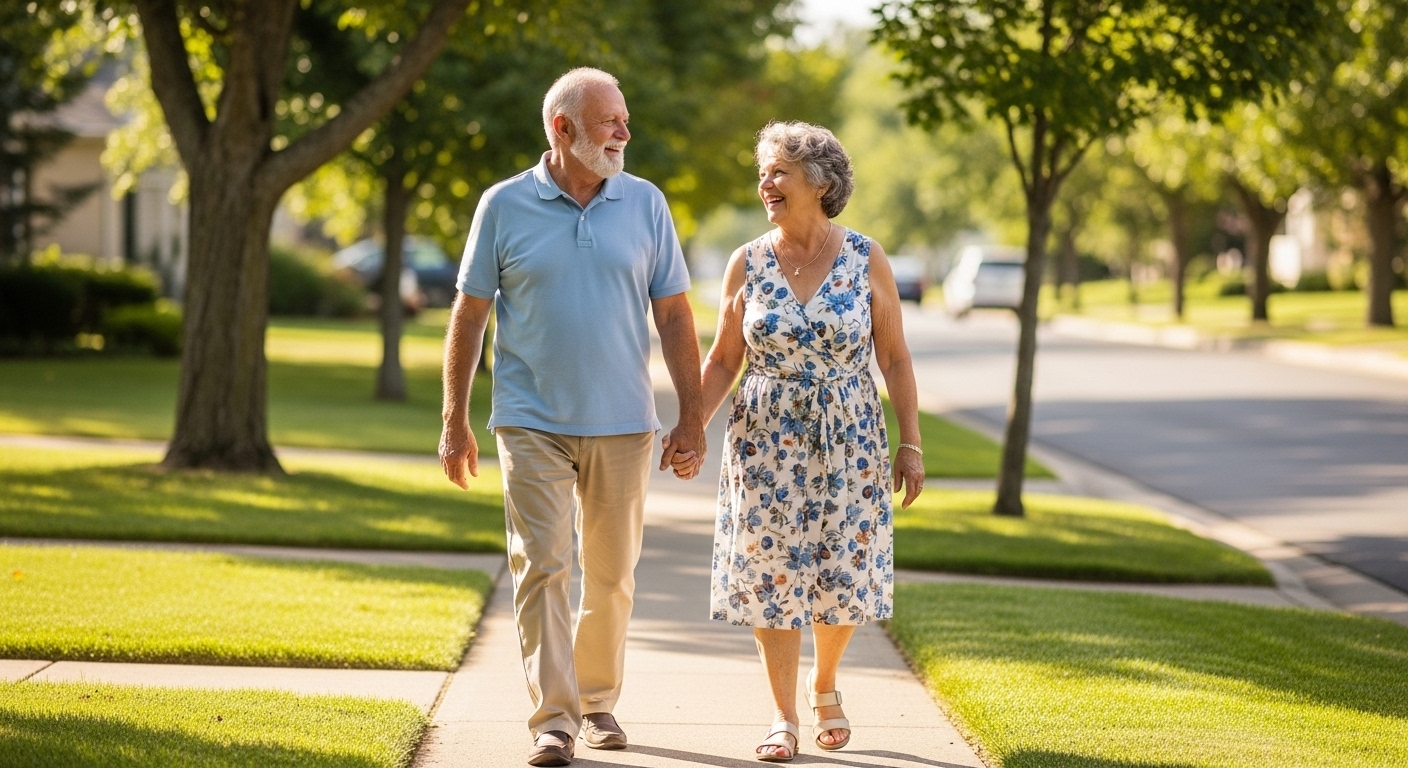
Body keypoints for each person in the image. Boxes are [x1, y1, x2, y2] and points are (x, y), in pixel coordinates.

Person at [439, 67, 705, 767]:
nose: (625, 131)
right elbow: (471, 313)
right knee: (544, 567)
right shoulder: (503, 205)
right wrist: (454, 418)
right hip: (530, 419)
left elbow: (674, 313)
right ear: (563, 129)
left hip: (623, 419)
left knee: (612, 573)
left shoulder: (645, 204)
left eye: (624, 118)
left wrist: (692, 416)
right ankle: (553, 719)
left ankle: (598, 702)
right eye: (611, 121)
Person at [695, 121, 924, 762]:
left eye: (778, 172)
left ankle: (825, 682)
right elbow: (721, 360)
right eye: (763, 172)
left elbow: (896, 358)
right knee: (771, 572)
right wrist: (692, 427)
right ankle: (782, 715)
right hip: (764, 438)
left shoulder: (865, 257)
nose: (765, 183)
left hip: (849, 431)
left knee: (842, 566)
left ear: (819, 183)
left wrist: (911, 443)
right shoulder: (747, 260)